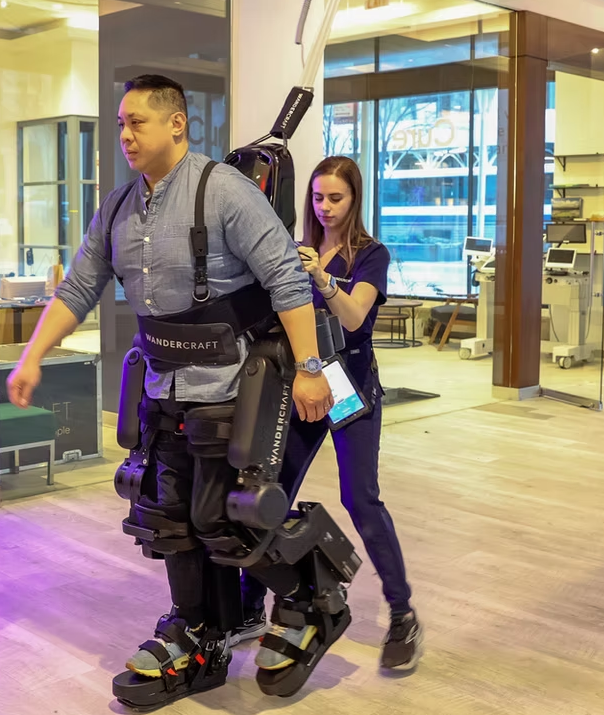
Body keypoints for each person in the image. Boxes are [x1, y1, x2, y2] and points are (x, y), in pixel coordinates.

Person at [6, 75, 356, 706]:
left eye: (137, 121)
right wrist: (32, 356)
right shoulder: (116, 207)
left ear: (177, 125)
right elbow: (79, 287)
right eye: (120, 123)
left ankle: (316, 592)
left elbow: (285, 278)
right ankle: (201, 636)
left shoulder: (223, 192)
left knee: (226, 521)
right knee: (166, 520)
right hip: (163, 383)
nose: (125, 134)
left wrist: (310, 368)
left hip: (236, 382)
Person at [232, 156, 425, 671]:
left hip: (351, 387)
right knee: (269, 497)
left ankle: (401, 612)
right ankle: (252, 606)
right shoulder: (296, 248)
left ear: (354, 199)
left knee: (361, 500)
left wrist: (321, 279)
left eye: (335, 198)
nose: (325, 207)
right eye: (318, 197)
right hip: (304, 383)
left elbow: (357, 316)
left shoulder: (370, 254)